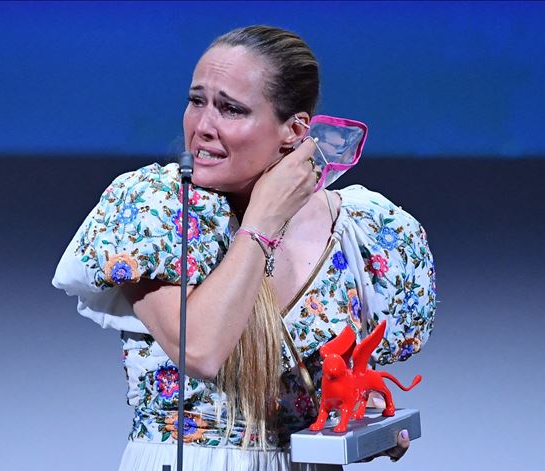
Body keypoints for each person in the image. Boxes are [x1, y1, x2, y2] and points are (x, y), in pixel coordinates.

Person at [53, 25, 437, 471]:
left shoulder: (363, 229)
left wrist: (362, 424)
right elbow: (199, 350)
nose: (202, 127)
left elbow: (346, 381)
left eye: (231, 110)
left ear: (293, 130)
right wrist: (263, 220)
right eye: (196, 101)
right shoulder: (156, 207)